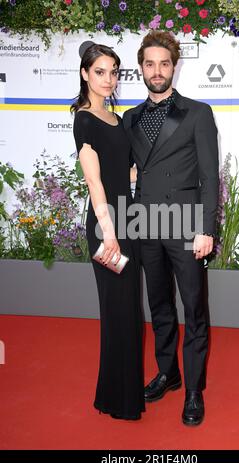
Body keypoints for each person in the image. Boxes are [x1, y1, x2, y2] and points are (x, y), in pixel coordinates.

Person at [123, 31, 219, 426]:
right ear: (141, 68)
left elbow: (210, 178)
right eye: (150, 64)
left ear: (174, 66)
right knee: (159, 306)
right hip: (146, 225)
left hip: (185, 226)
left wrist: (206, 228)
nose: (157, 71)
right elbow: (126, 171)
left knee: (194, 309)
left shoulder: (198, 112)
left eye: (164, 63)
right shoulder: (129, 119)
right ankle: (169, 373)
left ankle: (194, 389)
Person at [72, 43, 145, 421]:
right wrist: (109, 232)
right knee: (117, 309)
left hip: (127, 220)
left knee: (130, 309)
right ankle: (118, 400)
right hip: (107, 226)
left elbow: (124, 173)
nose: (109, 79)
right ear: (85, 74)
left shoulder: (115, 119)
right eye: (100, 71)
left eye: (114, 71)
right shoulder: (85, 120)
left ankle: (123, 394)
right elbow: (95, 182)